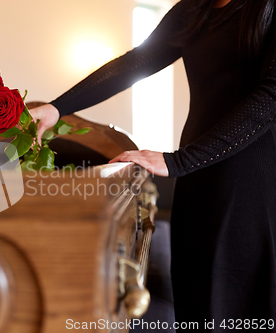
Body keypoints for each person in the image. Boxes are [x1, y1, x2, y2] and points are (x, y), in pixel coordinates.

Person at [29, 0, 276, 328]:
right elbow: (136, 62)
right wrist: (57, 108)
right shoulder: (195, 9)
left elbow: (270, 98)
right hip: (196, 176)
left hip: (249, 182)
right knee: (195, 301)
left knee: (236, 306)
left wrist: (179, 160)